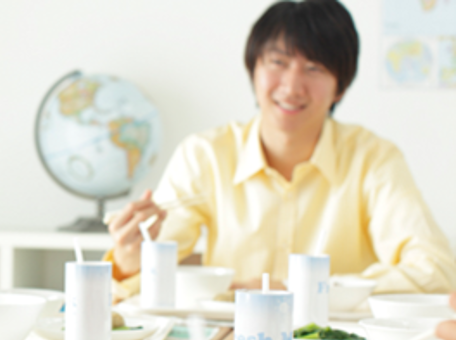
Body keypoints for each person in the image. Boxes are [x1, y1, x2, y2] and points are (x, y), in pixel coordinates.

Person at [107, 0, 456, 301]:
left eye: (314, 68)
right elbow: (146, 274)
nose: (291, 87)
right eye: (278, 62)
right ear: (253, 69)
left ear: (341, 87)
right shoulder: (205, 155)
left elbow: (436, 273)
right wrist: (128, 259)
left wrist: (300, 291)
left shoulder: (373, 159)